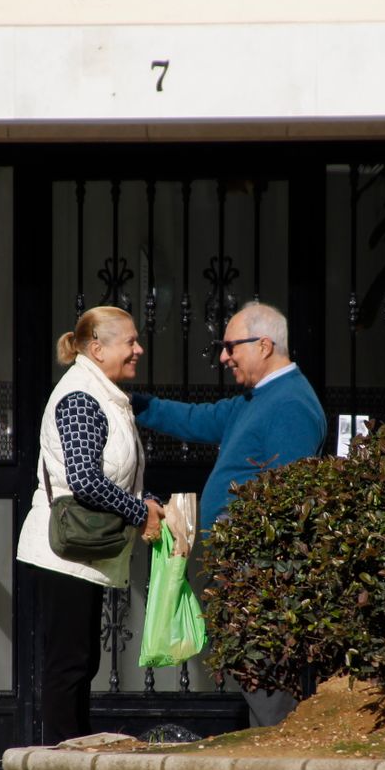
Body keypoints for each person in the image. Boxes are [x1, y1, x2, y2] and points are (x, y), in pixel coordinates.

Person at [130, 301, 326, 727]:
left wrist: (243, 552)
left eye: (231, 346)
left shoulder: (291, 404)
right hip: (238, 561)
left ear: (265, 345)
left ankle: (277, 763)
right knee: (252, 668)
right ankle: (267, 761)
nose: (224, 357)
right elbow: (197, 419)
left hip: (257, 568)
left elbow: (286, 497)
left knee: (264, 673)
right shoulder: (257, 398)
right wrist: (131, 402)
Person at [18, 306, 164, 746]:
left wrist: (145, 501)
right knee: (69, 661)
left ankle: (75, 749)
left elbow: (108, 473)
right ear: (97, 349)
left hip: (83, 548)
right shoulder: (81, 396)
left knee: (81, 660)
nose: (139, 350)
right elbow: (84, 479)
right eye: (130, 342)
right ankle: (65, 759)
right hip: (64, 549)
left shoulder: (102, 393)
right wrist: (141, 514)